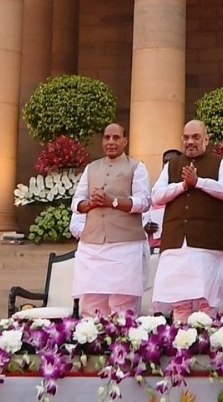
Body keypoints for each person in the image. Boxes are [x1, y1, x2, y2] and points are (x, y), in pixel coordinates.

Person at [151, 120, 223, 322]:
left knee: (206, 301)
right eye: (186, 137)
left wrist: (198, 182)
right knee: (179, 302)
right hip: (176, 244)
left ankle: (205, 344)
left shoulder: (219, 162)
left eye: (196, 137)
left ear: (206, 139)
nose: (190, 141)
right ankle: (181, 344)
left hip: (206, 244)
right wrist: (182, 186)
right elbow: (156, 195)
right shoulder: (172, 166)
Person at [71, 123, 152, 317]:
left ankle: (122, 344)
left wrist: (113, 202)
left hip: (126, 245)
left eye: (116, 138)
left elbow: (144, 201)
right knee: (92, 304)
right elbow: (76, 202)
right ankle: (92, 343)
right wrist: (91, 204)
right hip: (92, 244)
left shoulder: (136, 167)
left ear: (125, 141)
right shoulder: (91, 168)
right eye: (107, 138)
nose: (111, 142)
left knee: (122, 304)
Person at [142, 149, 182, 250]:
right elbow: (144, 213)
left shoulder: (187, 189)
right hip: (155, 247)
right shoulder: (155, 191)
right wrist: (146, 224)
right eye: (165, 162)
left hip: (178, 247)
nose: (167, 165)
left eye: (171, 162)